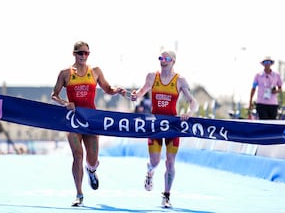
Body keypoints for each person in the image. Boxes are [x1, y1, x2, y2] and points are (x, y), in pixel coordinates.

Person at [51, 41, 126, 207]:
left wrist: (117, 90)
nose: (83, 56)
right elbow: (54, 95)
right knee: (77, 155)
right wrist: (64, 103)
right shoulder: (65, 73)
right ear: (74, 54)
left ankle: (91, 170)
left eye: (86, 53)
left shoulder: (95, 71)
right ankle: (79, 194)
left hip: (91, 120)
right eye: (80, 53)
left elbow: (107, 89)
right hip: (73, 120)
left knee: (92, 159)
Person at [130, 50, 198, 208]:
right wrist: (135, 96)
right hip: (155, 125)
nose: (163, 61)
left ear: (173, 61)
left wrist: (189, 113)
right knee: (155, 161)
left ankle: (166, 196)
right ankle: (150, 172)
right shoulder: (152, 76)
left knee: (170, 162)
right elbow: (141, 91)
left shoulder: (179, 80)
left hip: (172, 126)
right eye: (161, 58)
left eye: (167, 58)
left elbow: (193, 101)